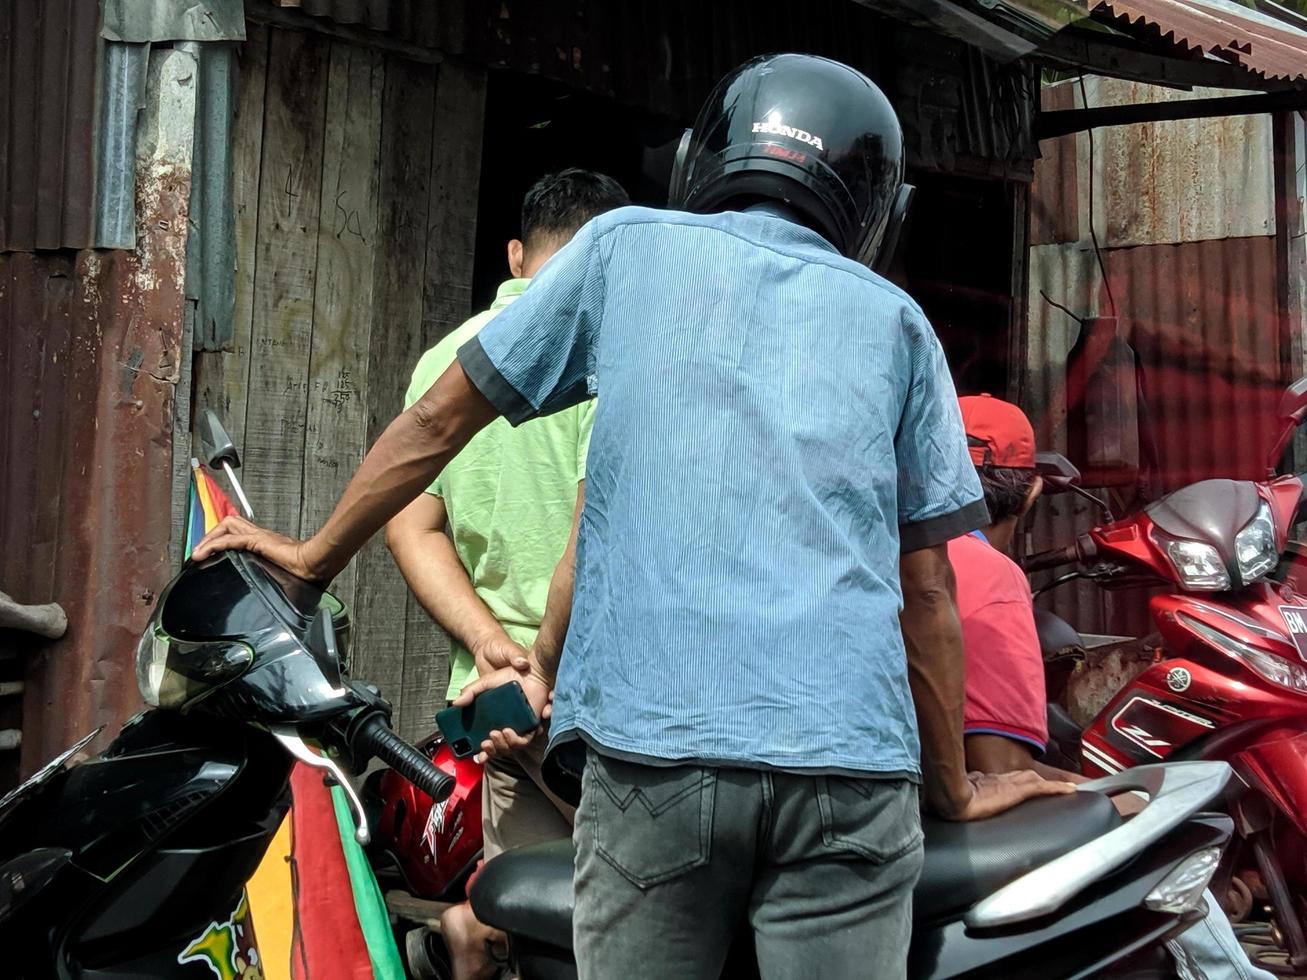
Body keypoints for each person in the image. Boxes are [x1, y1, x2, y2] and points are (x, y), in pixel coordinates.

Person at [194, 54, 1070, 979]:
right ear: (877, 210)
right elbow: (925, 590)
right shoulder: (898, 323)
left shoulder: (623, 250)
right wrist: (954, 788)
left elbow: (437, 420)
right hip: (847, 769)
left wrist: (310, 560)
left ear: (705, 160)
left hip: (657, 760)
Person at [385, 168, 629, 979]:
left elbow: (411, 523)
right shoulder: (611, 354)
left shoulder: (444, 361)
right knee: (630, 927)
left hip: (492, 701)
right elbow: (594, 537)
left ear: (519, 255)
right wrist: (544, 668)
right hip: (594, 704)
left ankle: (465, 938)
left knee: (528, 921)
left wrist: (491, 645)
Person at [952, 393, 1274, 980]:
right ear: (1030, 492)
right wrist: (1109, 794)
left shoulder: (897, 553)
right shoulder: (989, 576)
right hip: (945, 822)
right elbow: (995, 769)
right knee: (1154, 819)